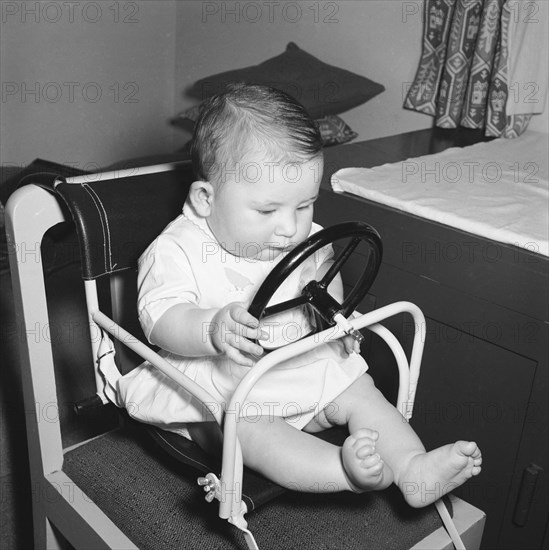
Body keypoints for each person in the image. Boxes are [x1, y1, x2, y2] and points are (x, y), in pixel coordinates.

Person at [118, 84, 481, 507]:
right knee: (250, 431)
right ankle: (340, 472)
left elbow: (324, 273)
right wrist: (211, 327)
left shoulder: (302, 234)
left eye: (305, 204)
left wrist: (335, 317)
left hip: (300, 357)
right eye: (268, 211)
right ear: (205, 199)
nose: (291, 228)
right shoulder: (175, 249)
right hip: (227, 381)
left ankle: (412, 467)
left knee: (360, 388)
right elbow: (161, 320)